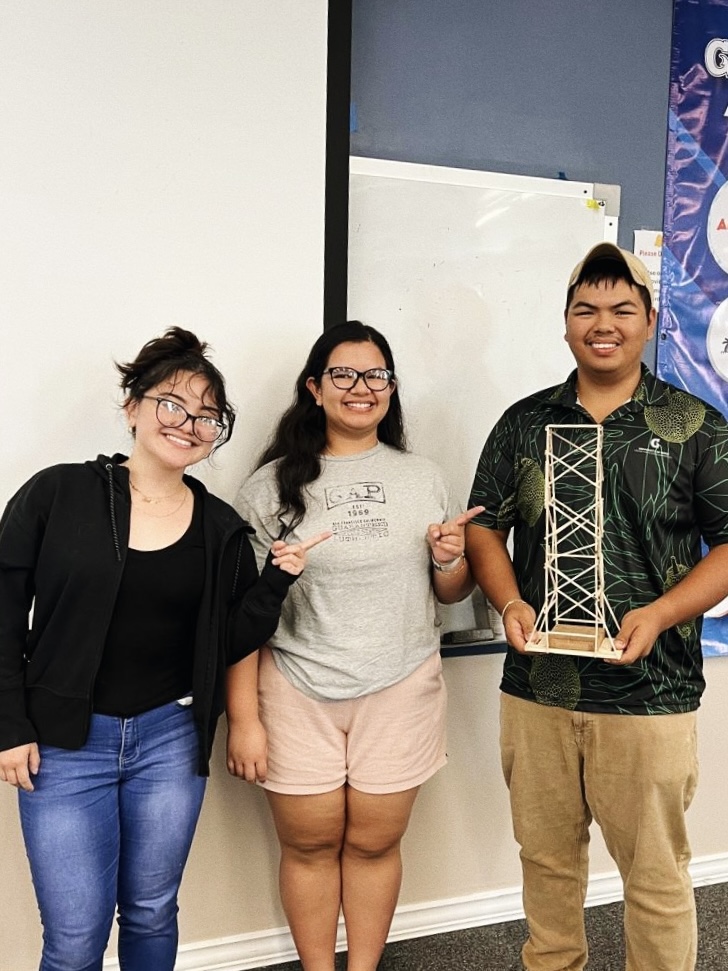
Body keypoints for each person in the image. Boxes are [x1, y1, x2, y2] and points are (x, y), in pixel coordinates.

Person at [0, 327, 327, 971]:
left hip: (168, 740)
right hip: (65, 741)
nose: (188, 424)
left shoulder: (220, 526)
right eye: (172, 404)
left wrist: (274, 582)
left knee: (152, 910)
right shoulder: (58, 493)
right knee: (75, 936)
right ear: (133, 407)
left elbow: (227, 641)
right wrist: (9, 724)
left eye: (207, 415)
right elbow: (5, 611)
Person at [466, 243, 728, 971]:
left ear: (650, 321)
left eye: (621, 309)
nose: (602, 324)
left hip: (651, 693)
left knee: (656, 877)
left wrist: (661, 613)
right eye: (586, 309)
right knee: (546, 864)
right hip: (538, 689)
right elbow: (484, 526)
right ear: (566, 324)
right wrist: (509, 601)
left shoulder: (697, 426)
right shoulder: (524, 422)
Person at [227, 320, 481, 971]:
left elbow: (450, 592)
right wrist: (245, 719)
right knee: (309, 845)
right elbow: (243, 616)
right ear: (315, 388)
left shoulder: (423, 477)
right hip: (295, 686)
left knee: (374, 844)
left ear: (391, 389)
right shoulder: (268, 487)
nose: (361, 387)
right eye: (343, 374)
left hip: (402, 682)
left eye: (376, 375)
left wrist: (449, 558)